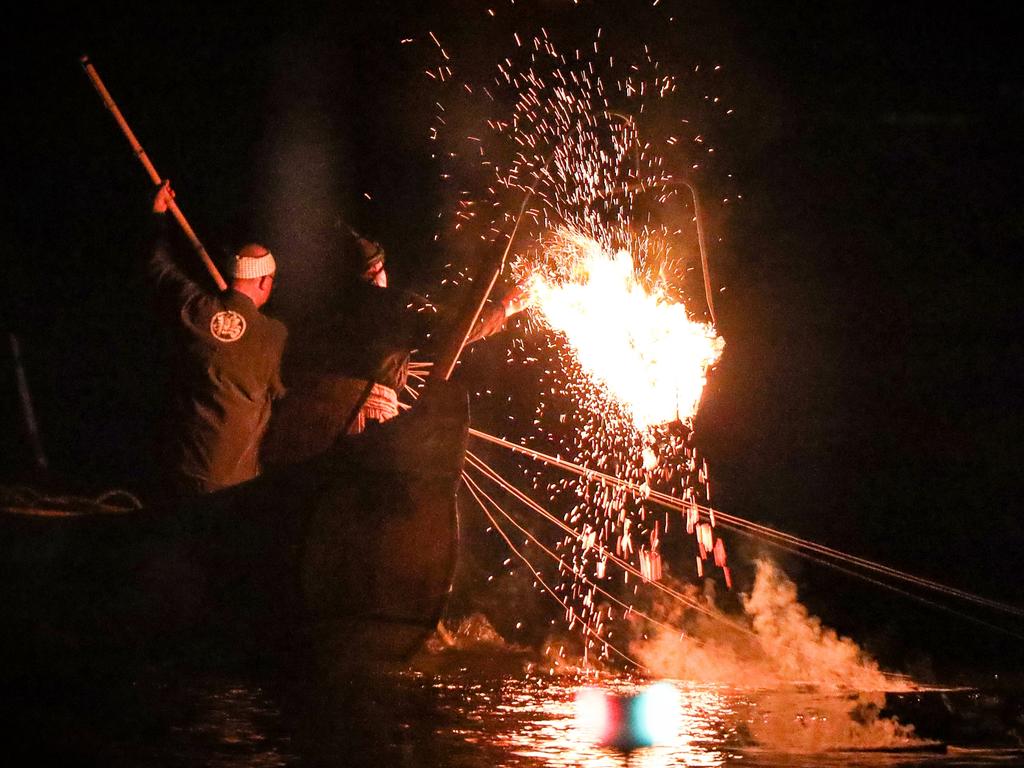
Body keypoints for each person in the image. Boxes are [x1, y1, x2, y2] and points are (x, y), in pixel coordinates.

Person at [262, 231, 529, 463]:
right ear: (374, 272)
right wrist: (504, 309)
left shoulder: (311, 306)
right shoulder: (386, 304)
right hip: (358, 423)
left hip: (294, 424)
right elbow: (453, 332)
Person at [149, 181, 288, 494]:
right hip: (233, 486)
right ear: (265, 282)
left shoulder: (197, 309)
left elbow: (158, 267)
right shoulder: (273, 335)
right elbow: (284, 397)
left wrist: (158, 214)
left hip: (182, 472)